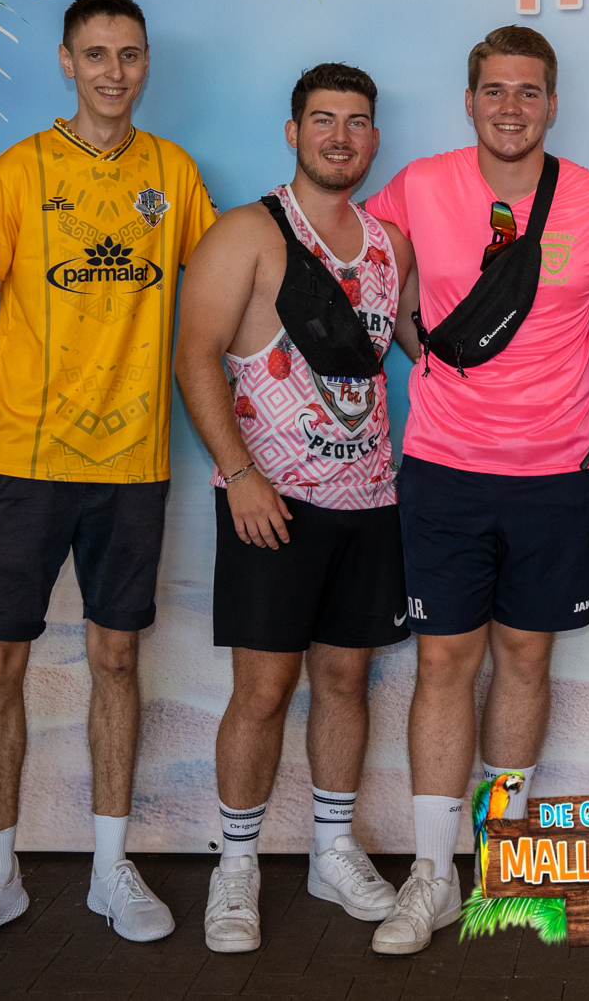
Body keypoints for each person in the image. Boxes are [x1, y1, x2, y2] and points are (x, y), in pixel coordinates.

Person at [0, 0, 216, 962]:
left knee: (117, 659)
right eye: (95, 54)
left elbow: (220, 298)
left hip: (134, 464)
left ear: (146, 62)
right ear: (66, 61)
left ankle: (109, 867)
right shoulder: (19, 171)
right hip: (23, 460)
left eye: (129, 54)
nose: (113, 72)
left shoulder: (173, 174)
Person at [362, 26, 589, 954]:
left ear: (553, 104)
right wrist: (423, 349)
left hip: (558, 473)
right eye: (494, 90)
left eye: (529, 91)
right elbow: (364, 269)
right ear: (469, 101)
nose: (511, 107)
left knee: (526, 660)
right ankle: (431, 874)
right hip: (445, 466)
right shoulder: (420, 185)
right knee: (444, 663)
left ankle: (501, 857)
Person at [172, 63, 418, 953]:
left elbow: (428, 351)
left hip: (370, 500)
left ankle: (331, 848)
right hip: (271, 502)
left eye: (356, 121)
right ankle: (236, 864)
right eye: (323, 119)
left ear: (374, 138)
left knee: (347, 681)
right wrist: (239, 472)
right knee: (265, 690)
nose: (339, 136)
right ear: (293, 131)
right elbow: (194, 354)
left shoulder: (392, 244)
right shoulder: (248, 231)